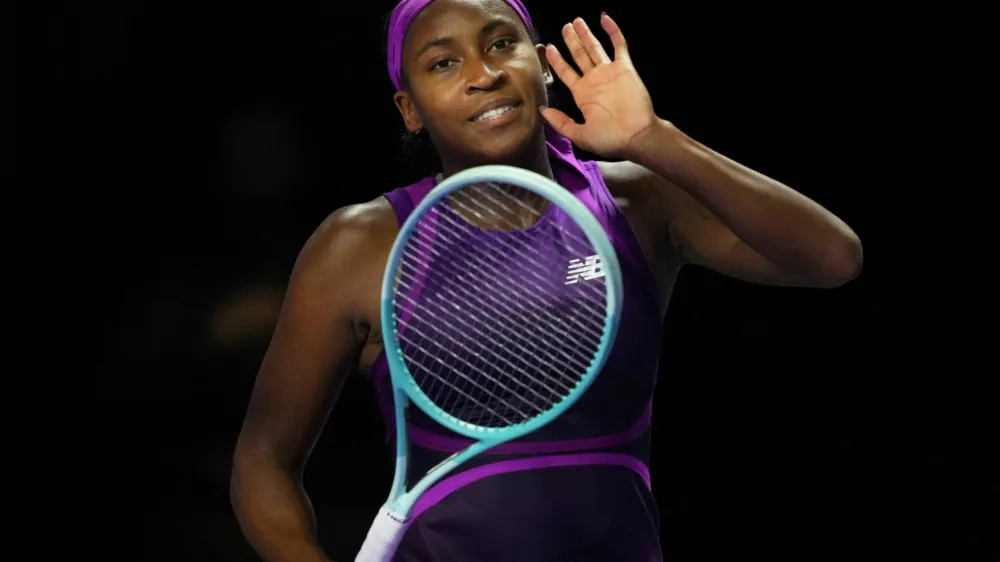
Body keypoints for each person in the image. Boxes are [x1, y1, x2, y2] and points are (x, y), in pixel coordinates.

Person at [230, 0, 864, 560]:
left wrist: (653, 140)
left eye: (502, 44)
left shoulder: (638, 204)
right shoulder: (361, 244)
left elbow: (832, 258)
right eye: (443, 64)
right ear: (410, 108)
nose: (484, 74)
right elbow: (263, 461)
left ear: (541, 65)